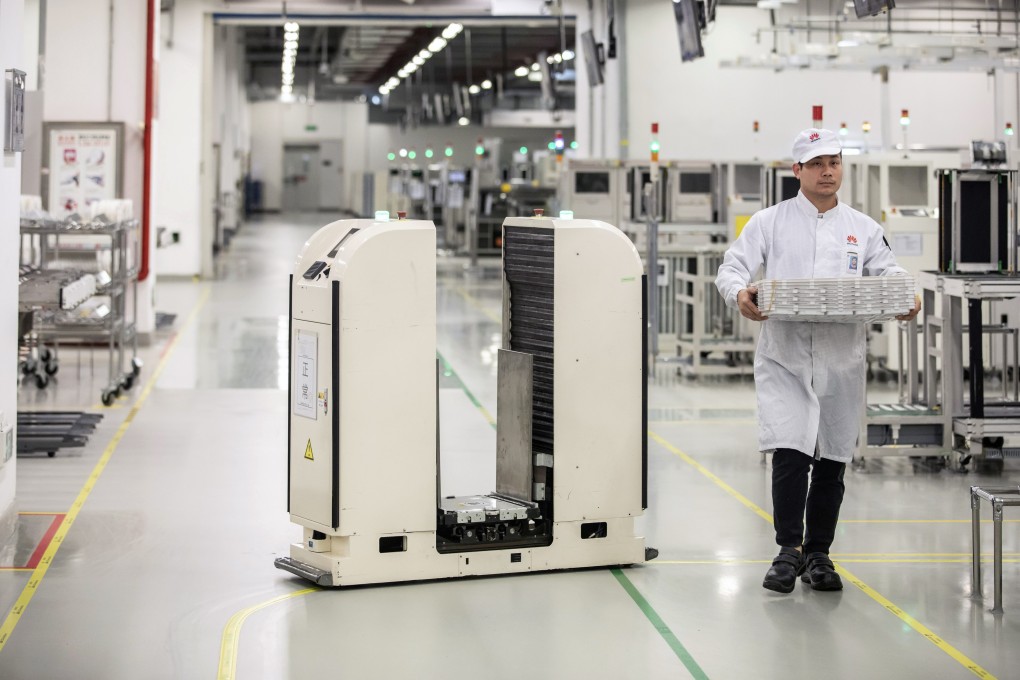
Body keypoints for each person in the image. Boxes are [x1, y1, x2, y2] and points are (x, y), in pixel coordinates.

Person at [715, 128, 921, 594]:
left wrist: (905, 296)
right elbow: (732, 268)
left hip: (841, 358)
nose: (828, 171)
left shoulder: (862, 227)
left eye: (834, 162)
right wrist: (739, 292)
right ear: (797, 171)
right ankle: (788, 550)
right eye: (816, 163)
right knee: (789, 451)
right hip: (784, 353)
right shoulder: (769, 222)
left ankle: (820, 553)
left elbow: (890, 274)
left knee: (832, 456)